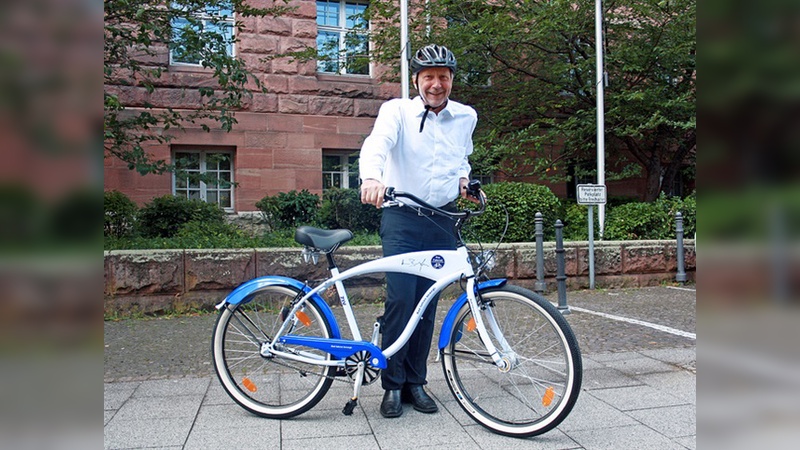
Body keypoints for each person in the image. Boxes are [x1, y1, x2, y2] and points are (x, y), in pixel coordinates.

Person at [358, 44, 478, 418]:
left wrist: (464, 181)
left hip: (442, 219)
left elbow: (462, 157)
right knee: (400, 299)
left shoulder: (466, 116)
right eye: (429, 77)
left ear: (452, 80)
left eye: (443, 77)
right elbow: (377, 144)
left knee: (428, 305)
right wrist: (372, 177)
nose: (437, 84)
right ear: (416, 80)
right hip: (402, 218)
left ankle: (415, 381)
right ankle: (391, 385)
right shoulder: (397, 111)